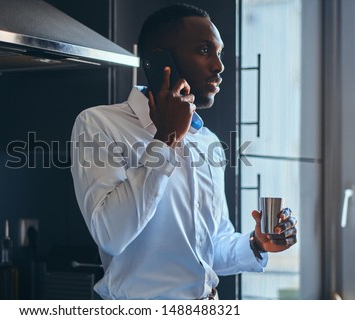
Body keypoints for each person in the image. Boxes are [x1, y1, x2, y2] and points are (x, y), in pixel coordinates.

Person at [70, 3, 297, 300]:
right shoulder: (99, 123)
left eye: (220, 53)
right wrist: (165, 139)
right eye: (204, 51)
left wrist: (257, 243)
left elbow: (210, 247)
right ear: (160, 61)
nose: (219, 66)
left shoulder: (208, 141)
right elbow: (111, 235)